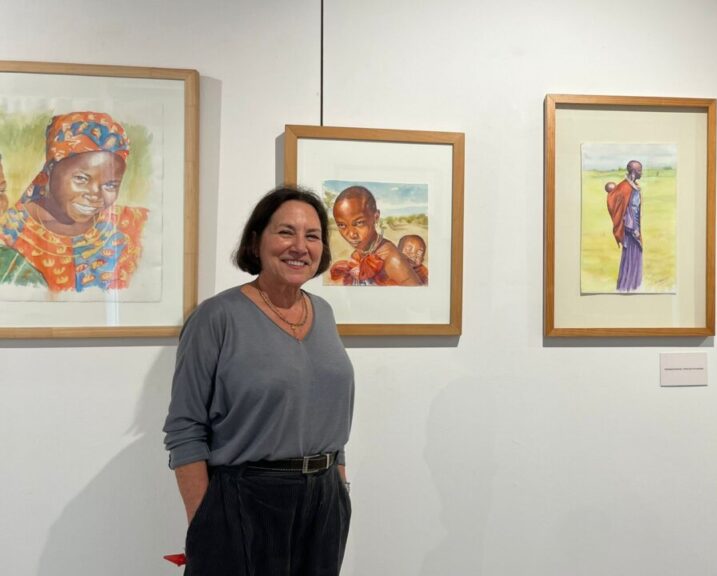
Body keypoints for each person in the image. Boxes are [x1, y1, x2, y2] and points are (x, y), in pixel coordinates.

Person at [163, 186, 354, 575]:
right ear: (256, 240)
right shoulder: (216, 317)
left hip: (324, 503)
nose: (299, 246)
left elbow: (321, 407)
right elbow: (185, 429)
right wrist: (207, 523)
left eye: (312, 236)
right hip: (246, 499)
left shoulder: (324, 312)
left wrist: (340, 487)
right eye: (286, 232)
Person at [0, 111, 147, 290]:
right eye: (81, 179)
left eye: (110, 185)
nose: (95, 195)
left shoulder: (136, 225)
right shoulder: (9, 233)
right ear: (50, 169)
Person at [328, 185, 422, 286]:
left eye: (359, 223)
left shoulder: (392, 260)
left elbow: (418, 296)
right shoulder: (357, 254)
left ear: (376, 217)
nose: (351, 234)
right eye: (342, 225)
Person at [606, 160, 643, 292]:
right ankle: (626, 287)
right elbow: (624, 211)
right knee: (630, 259)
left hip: (635, 229)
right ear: (633, 171)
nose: (641, 173)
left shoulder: (633, 186)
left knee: (636, 258)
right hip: (630, 232)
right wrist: (634, 230)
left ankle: (633, 286)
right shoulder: (625, 187)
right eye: (639, 170)